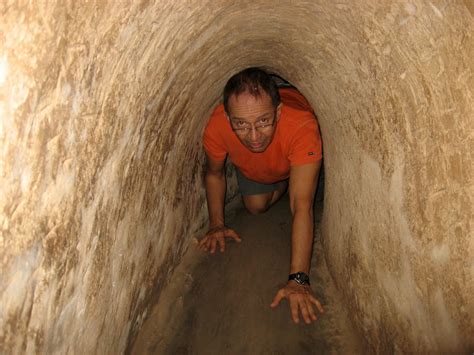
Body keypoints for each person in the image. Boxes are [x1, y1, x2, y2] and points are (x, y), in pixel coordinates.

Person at [198, 67, 324, 325]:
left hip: (293, 147)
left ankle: (295, 175)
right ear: (228, 117)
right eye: (241, 125)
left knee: (300, 193)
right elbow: (214, 174)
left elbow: (302, 206)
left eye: (263, 122)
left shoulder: (301, 124)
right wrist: (216, 224)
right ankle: (285, 180)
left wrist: (298, 280)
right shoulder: (217, 125)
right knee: (254, 206)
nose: (254, 137)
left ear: (277, 112)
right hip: (263, 168)